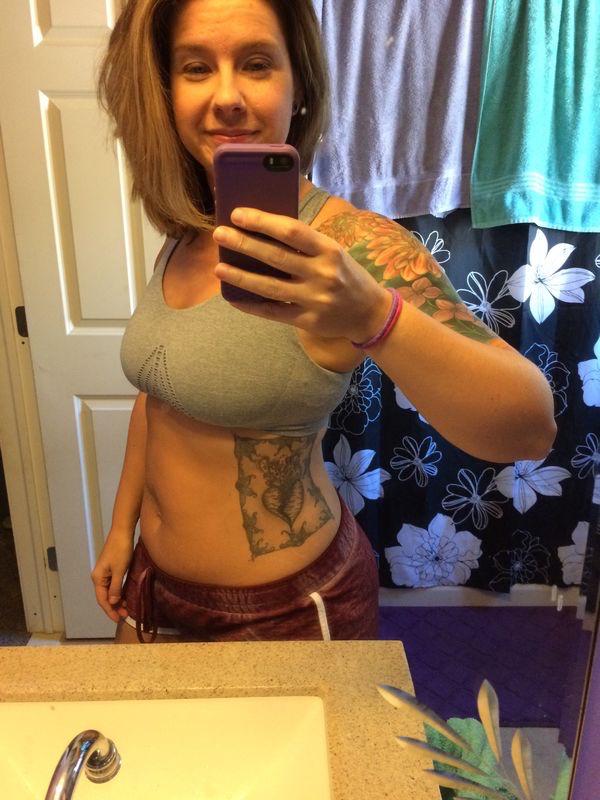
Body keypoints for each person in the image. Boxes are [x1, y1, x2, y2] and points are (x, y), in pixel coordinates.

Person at [91, 0, 557, 644]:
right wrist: (122, 532)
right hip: (154, 586)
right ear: (165, 93)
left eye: (257, 63)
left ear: (300, 85)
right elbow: (158, 397)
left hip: (281, 612)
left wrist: (374, 316)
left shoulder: (354, 245)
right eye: (196, 68)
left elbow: (530, 428)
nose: (226, 97)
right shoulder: (190, 230)